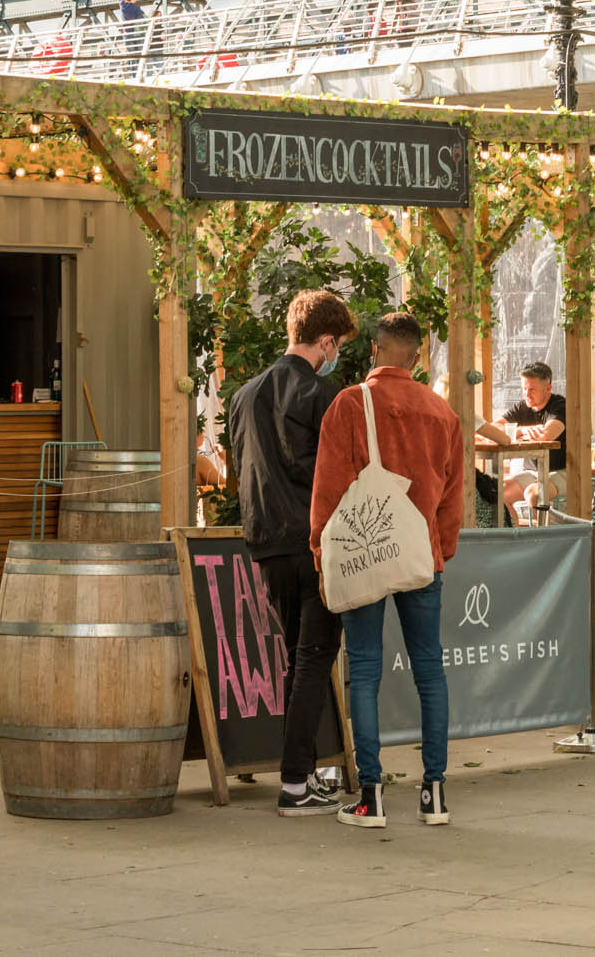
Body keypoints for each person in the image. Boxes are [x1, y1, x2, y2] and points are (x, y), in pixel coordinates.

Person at [311, 312, 463, 830]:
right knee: (429, 668)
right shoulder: (442, 412)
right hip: (423, 557)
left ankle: (371, 797)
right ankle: (435, 793)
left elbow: (329, 492)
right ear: (416, 358)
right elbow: (452, 498)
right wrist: (438, 551)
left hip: (365, 552)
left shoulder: (351, 404)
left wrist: (320, 552)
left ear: (374, 351)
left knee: (366, 669)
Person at [233, 289, 354, 816]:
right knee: (313, 659)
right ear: (325, 340)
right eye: (338, 345)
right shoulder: (324, 393)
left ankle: (301, 772)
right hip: (314, 540)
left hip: (264, 543)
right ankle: (294, 783)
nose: (336, 354)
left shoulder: (243, 395)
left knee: (294, 660)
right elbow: (338, 472)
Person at [484, 362, 565, 521]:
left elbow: (546, 435)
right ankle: (516, 541)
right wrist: (521, 430)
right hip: (533, 473)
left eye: (532, 389)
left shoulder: (559, 405)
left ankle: (548, 542)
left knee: (533, 493)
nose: (527, 394)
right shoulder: (523, 406)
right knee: (496, 493)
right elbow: (491, 429)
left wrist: (514, 431)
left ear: (548, 388)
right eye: (524, 389)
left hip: (562, 471)